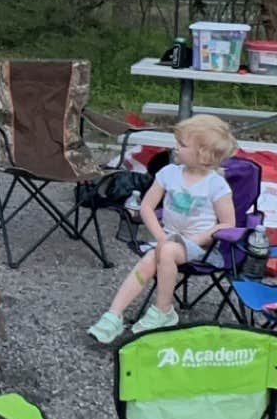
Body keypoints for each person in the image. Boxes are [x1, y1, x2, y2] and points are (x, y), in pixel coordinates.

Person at [88, 113, 237, 344]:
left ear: (203, 153)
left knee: (164, 251)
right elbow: (147, 206)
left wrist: (196, 240)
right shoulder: (168, 173)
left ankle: (164, 310)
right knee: (151, 258)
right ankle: (113, 315)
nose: (175, 147)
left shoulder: (216, 184)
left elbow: (228, 224)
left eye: (182, 144)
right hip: (166, 239)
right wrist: (160, 236)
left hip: (200, 248)